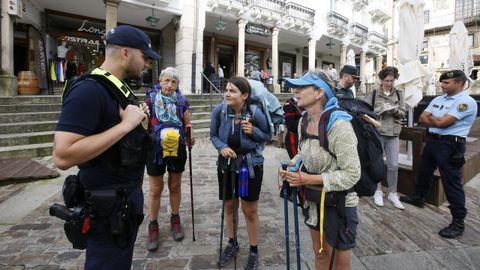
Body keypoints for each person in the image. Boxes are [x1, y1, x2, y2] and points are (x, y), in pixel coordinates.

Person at [53, 25, 159, 269]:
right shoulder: (89, 89)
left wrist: (136, 123)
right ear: (125, 53)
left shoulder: (115, 87)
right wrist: (125, 126)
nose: (147, 64)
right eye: (144, 57)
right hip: (106, 207)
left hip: (123, 201)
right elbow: (62, 155)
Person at [280, 70, 361, 270]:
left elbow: (352, 174)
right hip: (314, 203)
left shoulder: (339, 125)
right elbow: (303, 152)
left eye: (301, 87)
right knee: (321, 255)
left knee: (340, 264)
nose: (295, 91)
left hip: (339, 205)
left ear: (319, 93)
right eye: (294, 87)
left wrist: (308, 179)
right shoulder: (304, 120)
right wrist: (292, 166)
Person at [400, 70, 478, 238]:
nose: (441, 85)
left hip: (451, 144)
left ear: (459, 83)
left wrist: (437, 120)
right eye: (442, 82)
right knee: (424, 170)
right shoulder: (438, 99)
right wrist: (439, 120)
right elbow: (422, 118)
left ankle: (458, 222)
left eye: (446, 83)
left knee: (451, 181)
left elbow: (443, 123)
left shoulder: (466, 102)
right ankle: (419, 197)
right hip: (433, 141)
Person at [210, 76, 271, 270]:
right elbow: (213, 135)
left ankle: (254, 250)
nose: (227, 94)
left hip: (250, 166)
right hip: (226, 164)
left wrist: (253, 131)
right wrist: (221, 147)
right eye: (226, 90)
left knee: (249, 209)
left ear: (244, 95)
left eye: (232, 91)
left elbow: (268, 135)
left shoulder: (255, 112)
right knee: (229, 205)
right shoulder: (219, 111)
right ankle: (232, 242)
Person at [145, 67, 194, 251]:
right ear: (160, 81)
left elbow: (187, 123)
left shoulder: (181, 101)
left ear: (177, 85)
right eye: (166, 80)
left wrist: (190, 137)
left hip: (177, 146)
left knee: (175, 185)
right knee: (155, 188)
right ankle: (153, 225)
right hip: (155, 147)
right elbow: (144, 122)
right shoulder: (150, 100)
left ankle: (175, 218)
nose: (169, 84)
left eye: (173, 82)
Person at [365, 66, 406, 209]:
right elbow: (366, 112)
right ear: (381, 80)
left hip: (394, 134)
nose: (389, 83)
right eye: (387, 80)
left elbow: (403, 113)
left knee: (394, 165)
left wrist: (395, 110)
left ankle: (393, 193)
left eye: (392, 80)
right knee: (378, 164)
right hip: (378, 133)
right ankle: (378, 190)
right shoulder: (374, 93)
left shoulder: (399, 94)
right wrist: (380, 110)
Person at [283, 92, 303, 159]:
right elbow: (291, 125)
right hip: (294, 138)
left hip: (302, 138)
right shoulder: (289, 105)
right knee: (296, 162)